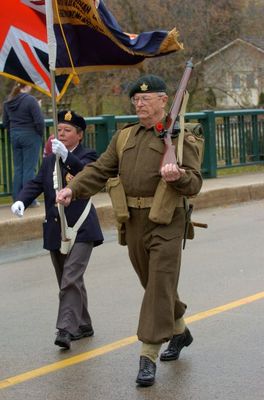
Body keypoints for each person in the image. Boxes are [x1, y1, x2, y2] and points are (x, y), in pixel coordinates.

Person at [56, 75, 203, 385]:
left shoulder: (179, 137)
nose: (139, 103)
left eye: (146, 99)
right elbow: (100, 170)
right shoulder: (124, 137)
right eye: (136, 99)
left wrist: (177, 177)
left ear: (164, 101)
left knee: (159, 283)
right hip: (134, 222)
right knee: (153, 284)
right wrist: (75, 189)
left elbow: (195, 183)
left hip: (167, 220)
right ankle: (180, 331)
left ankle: (147, 355)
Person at [11, 110, 104, 350]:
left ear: (79, 135)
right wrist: (21, 199)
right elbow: (37, 182)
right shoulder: (51, 159)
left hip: (81, 228)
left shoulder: (88, 155)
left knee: (70, 277)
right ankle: (84, 324)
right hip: (56, 227)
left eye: (68, 131)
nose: (61, 135)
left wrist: (68, 159)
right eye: (59, 130)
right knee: (67, 279)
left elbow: (89, 175)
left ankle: (65, 329)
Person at [2, 82, 44, 206]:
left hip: (15, 136)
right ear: (27, 86)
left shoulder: (8, 101)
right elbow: (39, 121)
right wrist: (39, 134)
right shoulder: (31, 101)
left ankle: (17, 199)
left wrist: (14, 132)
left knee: (19, 168)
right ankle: (28, 200)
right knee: (29, 169)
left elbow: (5, 123)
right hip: (30, 135)